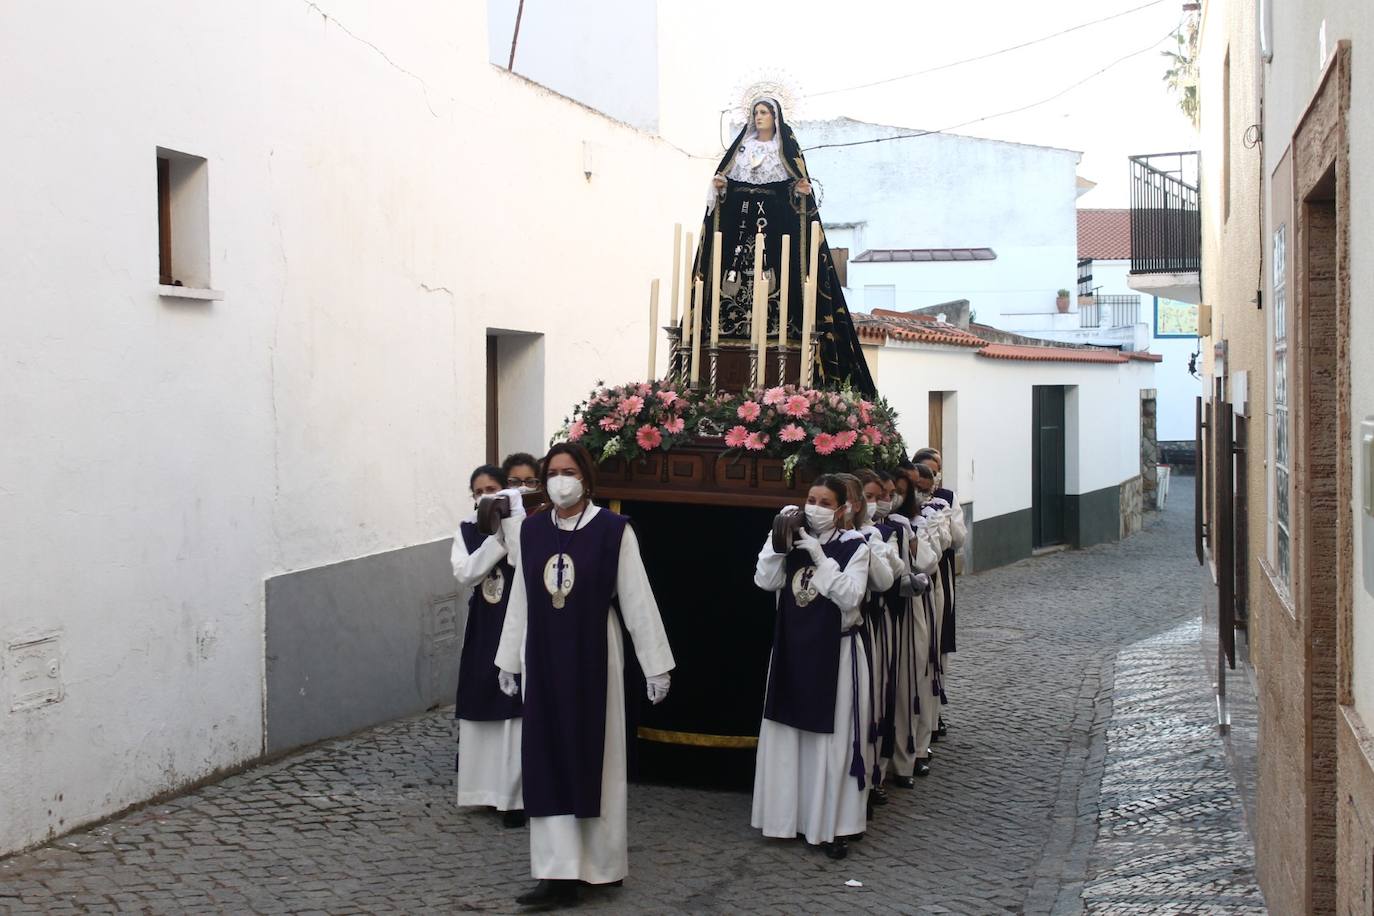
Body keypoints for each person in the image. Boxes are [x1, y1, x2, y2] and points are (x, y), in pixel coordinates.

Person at [494, 443, 675, 909]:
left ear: (587, 479)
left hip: (596, 654)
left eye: (568, 471)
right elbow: (520, 598)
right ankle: (555, 874)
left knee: (598, 758)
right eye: (552, 472)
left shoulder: (614, 531)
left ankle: (600, 865)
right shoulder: (532, 531)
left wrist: (655, 664)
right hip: (544, 657)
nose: (559, 480)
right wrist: (508, 660)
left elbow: (637, 597)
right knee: (547, 755)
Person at [690, 98, 875, 394]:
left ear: (776, 117)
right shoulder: (740, 151)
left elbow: (796, 192)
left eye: (765, 112)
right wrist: (722, 188)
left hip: (777, 235)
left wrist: (798, 190)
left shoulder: (785, 152)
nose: (759, 116)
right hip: (740, 233)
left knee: (783, 282)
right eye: (756, 112)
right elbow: (726, 190)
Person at [751, 475, 872, 860]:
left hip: (834, 654)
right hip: (791, 648)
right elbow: (764, 581)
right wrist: (775, 543)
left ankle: (831, 825)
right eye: (810, 499)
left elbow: (851, 597)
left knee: (829, 743)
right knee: (788, 735)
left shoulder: (856, 547)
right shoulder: (792, 540)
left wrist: (821, 558)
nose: (814, 507)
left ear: (842, 509)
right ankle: (786, 819)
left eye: (824, 501)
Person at [450, 465, 527, 827]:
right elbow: (466, 572)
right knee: (481, 699)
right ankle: (481, 791)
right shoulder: (466, 529)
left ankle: (512, 797)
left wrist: (505, 533)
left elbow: (520, 559)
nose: (485, 496)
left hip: (514, 622)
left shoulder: (520, 523)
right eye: (478, 490)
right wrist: (493, 543)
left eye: (492, 489)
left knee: (512, 709)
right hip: (483, 624)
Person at [914, 448, 966, 741]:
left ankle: (936, 708)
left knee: (940, 637)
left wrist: (940, 522)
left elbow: (958, 538)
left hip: (940, 570)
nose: (932, 478)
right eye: (926, 471)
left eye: (935, 472)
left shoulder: (947, 498)